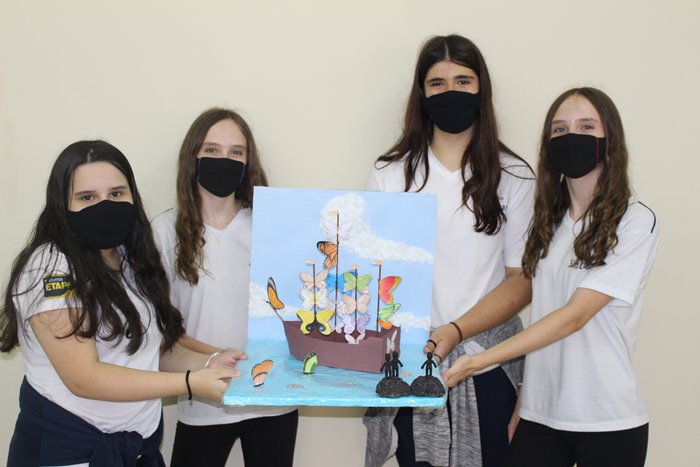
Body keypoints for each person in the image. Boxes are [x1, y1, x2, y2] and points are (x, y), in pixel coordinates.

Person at [443, 87, 658, 467]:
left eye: (586, 126)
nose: (571, 136)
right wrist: (525, 401)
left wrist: (479, 360)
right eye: (559, 129)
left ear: (610, 139)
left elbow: (574, 316)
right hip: (540, 418)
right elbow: (544, 311)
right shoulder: (548, 222)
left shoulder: (634, 221)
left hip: (606, 419)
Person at [0, 140, 239, 467]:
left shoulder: (131, 260)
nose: (105, 206)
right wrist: (188, 383)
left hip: (138, 451)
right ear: (61, 205)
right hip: (69, 454)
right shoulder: (52, 266)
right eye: (87, 197)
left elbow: (148, 353)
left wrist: (210, 362)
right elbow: (84, 377)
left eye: (116, 193)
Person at [364, 35, 535, 467]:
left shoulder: (514, 175)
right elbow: (373, 274)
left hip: (488, 365)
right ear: (422, 94)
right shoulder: (390, 174)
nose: (451, 92)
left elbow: (521, 280)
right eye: (437, 83)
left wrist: (457, 330)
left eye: (463, 80)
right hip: (411, 365)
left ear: (481, 89)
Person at [152, 108, 298, 467]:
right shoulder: (164, 231)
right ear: (193, 157)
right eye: (212, 150)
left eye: (236, 152)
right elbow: (163, 328)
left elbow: (297, 306)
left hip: (272, 399)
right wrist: (212, 358)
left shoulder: (272, 226)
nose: (224, 160)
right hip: (203, 399)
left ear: (249, 162)